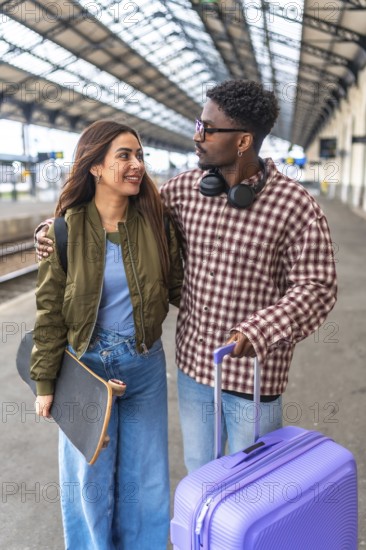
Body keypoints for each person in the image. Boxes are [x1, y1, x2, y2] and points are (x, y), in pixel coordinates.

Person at [36, 80, 337, 476]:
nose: (198, 136)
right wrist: (54, 230)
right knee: (201, 473)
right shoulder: (179, 193)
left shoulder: (295, 206)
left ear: (243, 140)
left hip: (255, 377)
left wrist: (259, 330)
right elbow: (113, 212)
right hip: (195, 372)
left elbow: (317, 287)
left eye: (208, 129)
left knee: (253, 483)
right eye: (199, 124)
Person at [31, 120, 183, 550]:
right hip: (86, 369)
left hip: (144, 366)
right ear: (94, 166)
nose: (137, 164)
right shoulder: (64, 230)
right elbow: (49, 314)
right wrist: (45, 383)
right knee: (89, 480)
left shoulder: (157, 222)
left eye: (139, 156)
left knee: (146, 478)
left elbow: (180, 289)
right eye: (124, 156)